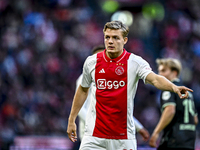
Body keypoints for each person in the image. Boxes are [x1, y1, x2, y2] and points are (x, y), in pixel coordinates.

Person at [67, 20, 193, 150]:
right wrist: (71, 120)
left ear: (125, 40)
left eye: (116, 38)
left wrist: (173, 87)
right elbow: (82, 90)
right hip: (94, 137)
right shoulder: (91, 62)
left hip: (123, 137)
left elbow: (154, 79)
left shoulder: (135, 62)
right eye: (107, 37)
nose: (110, 41)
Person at [77, 45, 150, 142]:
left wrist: (138, 127)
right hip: (90, 133)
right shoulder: (84, 78)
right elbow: (79, 107)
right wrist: (93, 124)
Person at [149, 58, 198, 150]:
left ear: (174, 72)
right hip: (189, 140)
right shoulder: (188, 93)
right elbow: (195, 120)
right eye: (159, 71)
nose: (160, 74)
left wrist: (156, 132)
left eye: (163, 70)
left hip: (173, 139)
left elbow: (170, 110)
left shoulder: (169, 90)